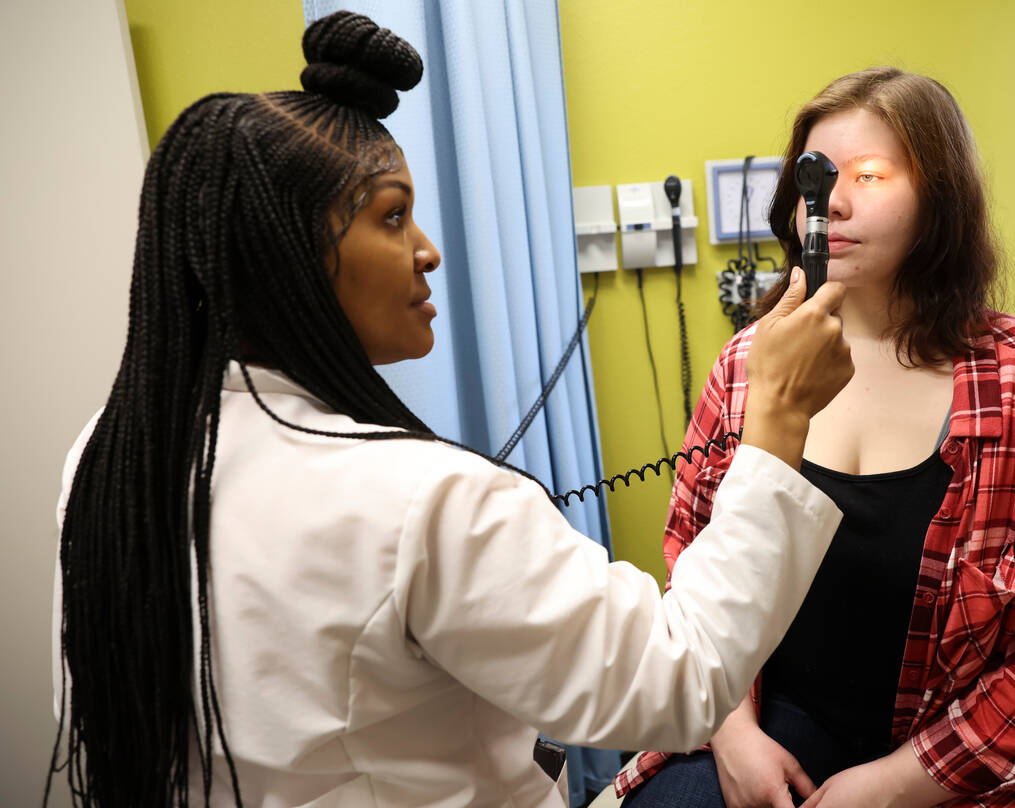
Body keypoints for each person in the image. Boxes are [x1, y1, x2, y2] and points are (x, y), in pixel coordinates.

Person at [45, 12, 855, 808]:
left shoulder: (112, 456)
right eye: (392, 215)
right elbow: (679, 679)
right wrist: (778, 414)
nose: (428, 249)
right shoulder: (417, 503)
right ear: (287, 255)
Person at [617, 67, 1015, 808]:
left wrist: (902, 784)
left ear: (940, 198)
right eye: (817, 176)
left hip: (971, 749)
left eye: (869, 175)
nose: (831, 202)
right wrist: (735, 734)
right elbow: (695, 549)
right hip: (782, 718)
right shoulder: (749, 365)